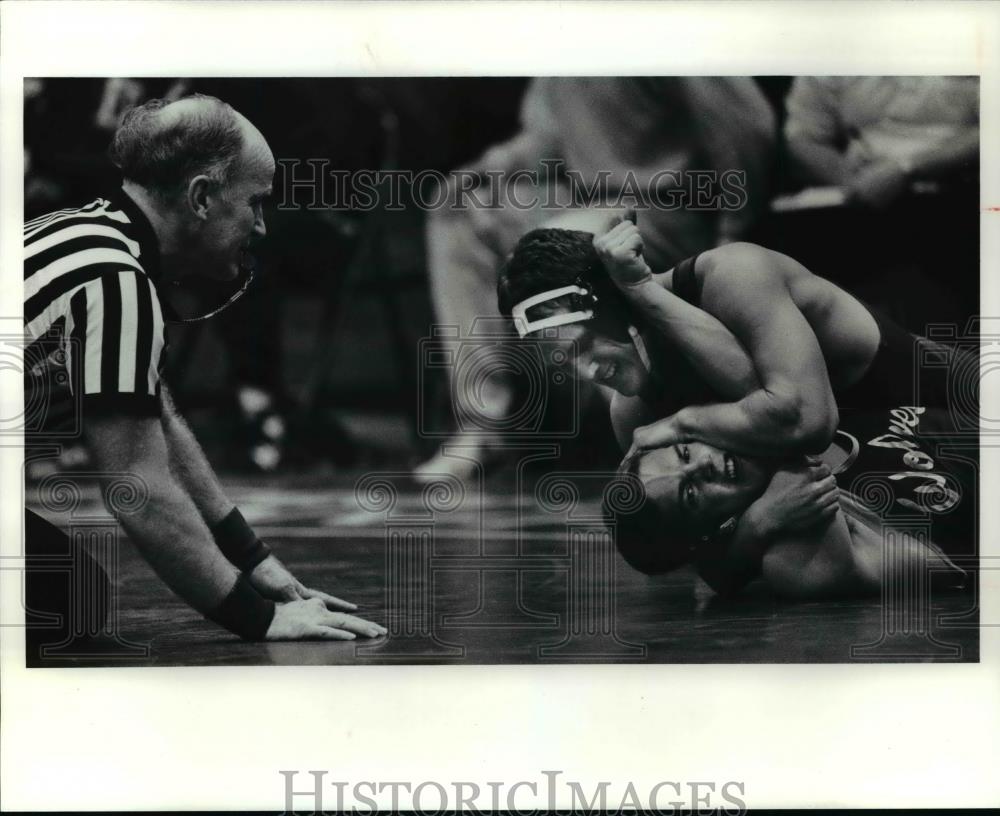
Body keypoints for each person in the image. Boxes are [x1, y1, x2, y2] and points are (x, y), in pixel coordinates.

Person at [23, 94, 386, 659]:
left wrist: (256, 563)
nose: (262, 228)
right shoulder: (115, 280)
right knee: (62, 599)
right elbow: (139, 490)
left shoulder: (85, 232)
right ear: (201, 197)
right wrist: (262, 620)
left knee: (62, 589)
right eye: (255, 204)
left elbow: (157, 418)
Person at [415, 77, 776, 482]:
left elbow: (747, 125)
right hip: (586, 199)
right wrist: (489, 169)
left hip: (667, 208)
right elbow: (550, 139)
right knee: (457, 212)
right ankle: (482, 423)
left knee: (550, 253)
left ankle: (656, 431)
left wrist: (735, 229)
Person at [607, 429, 970, 599]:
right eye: (690, 494)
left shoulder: (774, 419)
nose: (703, 465)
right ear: (707, 534)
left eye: (685, 453)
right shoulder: (794, 560)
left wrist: (754, 526)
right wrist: (759, 527)